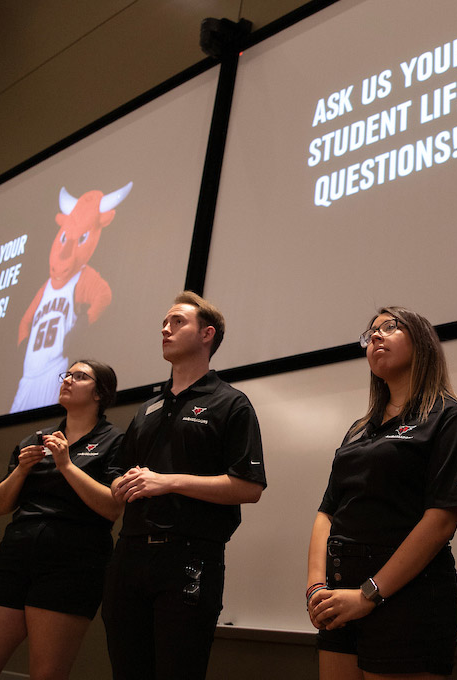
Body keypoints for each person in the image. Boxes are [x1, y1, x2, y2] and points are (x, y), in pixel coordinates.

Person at [103, 291, 267, 680]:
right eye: (164, 322)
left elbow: (249, 487)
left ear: (207, 334)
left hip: (190, 557)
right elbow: (120, 473)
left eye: (178, 321)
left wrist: (168, 482)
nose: (165, 328)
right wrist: (120, 484)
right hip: (128, 555)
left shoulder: (231, 403)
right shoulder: (148, 408)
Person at [307, 306, 457, 679]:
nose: (376, 337)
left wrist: (369, 594)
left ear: (422, 341)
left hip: (408, 599)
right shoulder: (358, 430)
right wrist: (316, 587)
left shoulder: (448, 417)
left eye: (390, 327)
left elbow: (442, 519)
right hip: (339, 595)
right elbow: (327, 511)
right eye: (370, 335)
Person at [0, 359, 124, 680]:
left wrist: (66, 464)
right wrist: (21, 469)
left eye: (80, 376)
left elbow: (112, 508)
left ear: (100, 393)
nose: (68, 380)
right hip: (15, 558)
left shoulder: (115, 441)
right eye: (66, 374)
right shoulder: (35, 439)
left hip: (71, 565)